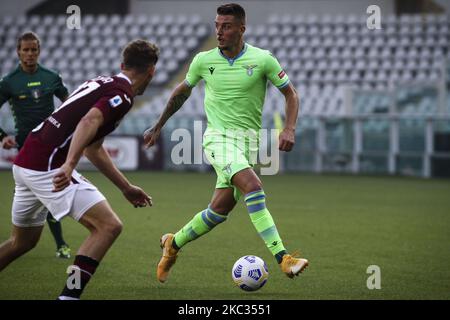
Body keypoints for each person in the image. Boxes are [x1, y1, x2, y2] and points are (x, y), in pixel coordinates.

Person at [144, 3, 308, 283]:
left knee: (218, 211)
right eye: (217, 26)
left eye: (227, 26)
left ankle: (173, 243)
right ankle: (283, 258)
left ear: (241, 29)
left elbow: (290, 94)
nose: (219, 31)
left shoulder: (263, 59)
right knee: (254, 187)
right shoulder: (203, 61)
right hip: (217, 141)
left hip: (246, 145)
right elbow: (180, 93)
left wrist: (289, 128)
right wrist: (159, 125)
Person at [0, 39, 158, 300]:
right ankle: (68, 297)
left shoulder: (102, 82)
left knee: (22, 242)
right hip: (48, 166)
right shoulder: (123, 95)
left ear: (122, 65)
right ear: (151, 71)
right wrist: (69, 163)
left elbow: (93, 147)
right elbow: (90, 120)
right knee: (108, 227)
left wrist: (126, 187)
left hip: (27, 161)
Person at [0, 31, 72, 259]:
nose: (30, 54)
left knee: (52, 193)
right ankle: (41, 242)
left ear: (39, 51)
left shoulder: (51, 77)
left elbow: (69, 102)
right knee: (43, 197)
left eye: (34, 50)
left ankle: (60, 244)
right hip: (26, 150)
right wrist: (2, 136)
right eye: (26, 50)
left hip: (52, 147)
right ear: (18, 52)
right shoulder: (9, 82)